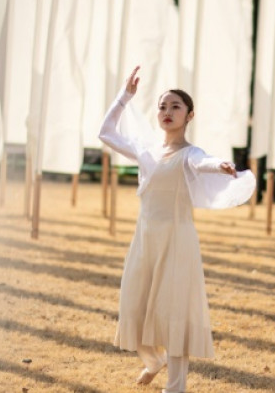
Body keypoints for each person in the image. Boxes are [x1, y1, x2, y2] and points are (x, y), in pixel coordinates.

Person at [99, 66, 256, 392]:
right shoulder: (147, 151)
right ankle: (154, 361)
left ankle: (176, 387)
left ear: (189, 115)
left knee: (175, 315)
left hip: (177, 240)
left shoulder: (189, 154)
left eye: (175, 107)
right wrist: (124, 97)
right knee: (134, 306)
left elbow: (203, 162)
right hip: (145, 239)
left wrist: (221, 165)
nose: (167, 112)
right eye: (162, 106)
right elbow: (106, 133)